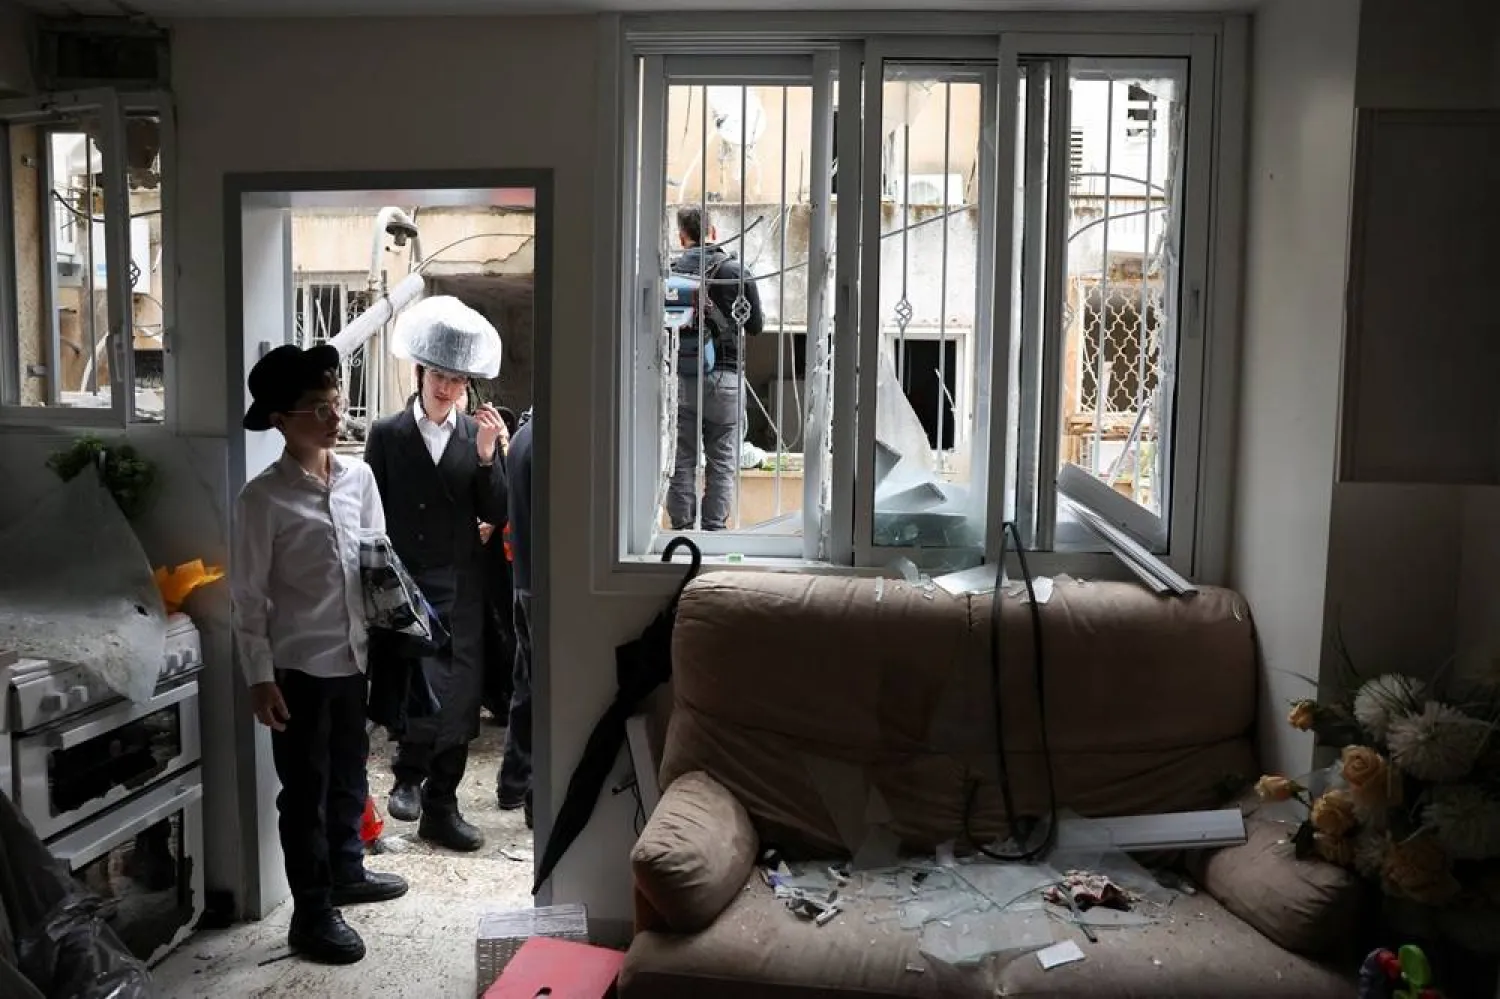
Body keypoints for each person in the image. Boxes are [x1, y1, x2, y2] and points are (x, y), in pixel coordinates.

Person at [230, 343, 408, 966]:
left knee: (350, 774)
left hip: (353, 661)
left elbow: (378, 565)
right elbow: (247, 599)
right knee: (302, 792)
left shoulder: (359, 478)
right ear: (280, 419)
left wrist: (399, 633)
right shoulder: (263, 500)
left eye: (335, 402)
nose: (335, 418)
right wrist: (258, 678)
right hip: (297, 670)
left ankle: (347, 871)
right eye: (317, 408)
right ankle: (311, 913)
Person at [364, 296, 508, 853]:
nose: (447, 388)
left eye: (458, 380)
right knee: (414, 687)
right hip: (407, 581)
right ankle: (407, 775)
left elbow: (496, 511)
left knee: (460, 693)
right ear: (420, 373)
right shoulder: (387, 433)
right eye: (439, 376)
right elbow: (370, 509)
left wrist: (490, 459)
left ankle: (442, 805)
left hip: (462, 583)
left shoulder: (476, 434)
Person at [667, 206, 764, 531]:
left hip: (683, 379)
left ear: (683, 237)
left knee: (681, 458)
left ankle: (681, 529)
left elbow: (663, 326)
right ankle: (714, 531)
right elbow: (755, 326)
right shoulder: (736, 270)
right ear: (713, 232)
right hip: (726, 376)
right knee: (722, 460)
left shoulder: (673, 272)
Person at [497, 405, 533, 828]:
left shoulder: (524, 435)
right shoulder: (545, 439)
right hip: (540, 583)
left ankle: (514, 781)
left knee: (527, 685)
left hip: (525, 579)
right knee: (542, 690)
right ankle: (533, 796)